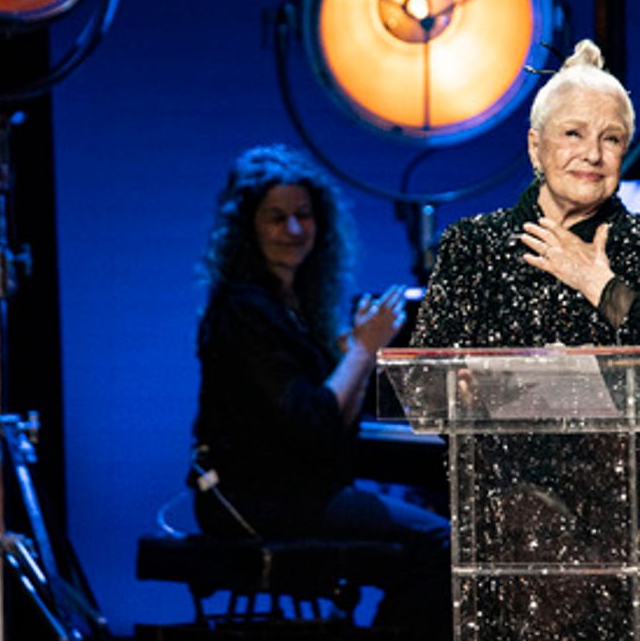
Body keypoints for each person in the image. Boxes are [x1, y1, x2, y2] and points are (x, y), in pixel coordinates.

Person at [413, 40, 640, 640]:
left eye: (611, 138)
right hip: (511, 520)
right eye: (573, 134)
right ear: (535, 146)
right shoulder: (473, 247)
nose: (592, 154)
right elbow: (426, 380)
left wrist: (599, 284)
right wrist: (468, 389)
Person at [190, 144, 451, 638]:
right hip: (257, 498)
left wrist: (362, 356)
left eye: (303, 215)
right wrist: (362, 351)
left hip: (298, 490)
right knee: (442, 544)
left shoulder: (293, 310)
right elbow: (309, 423)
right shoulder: (244, 310)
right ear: (248, 227)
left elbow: (332, 429)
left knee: (435, 542)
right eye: (277, 218)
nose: (293, 229)